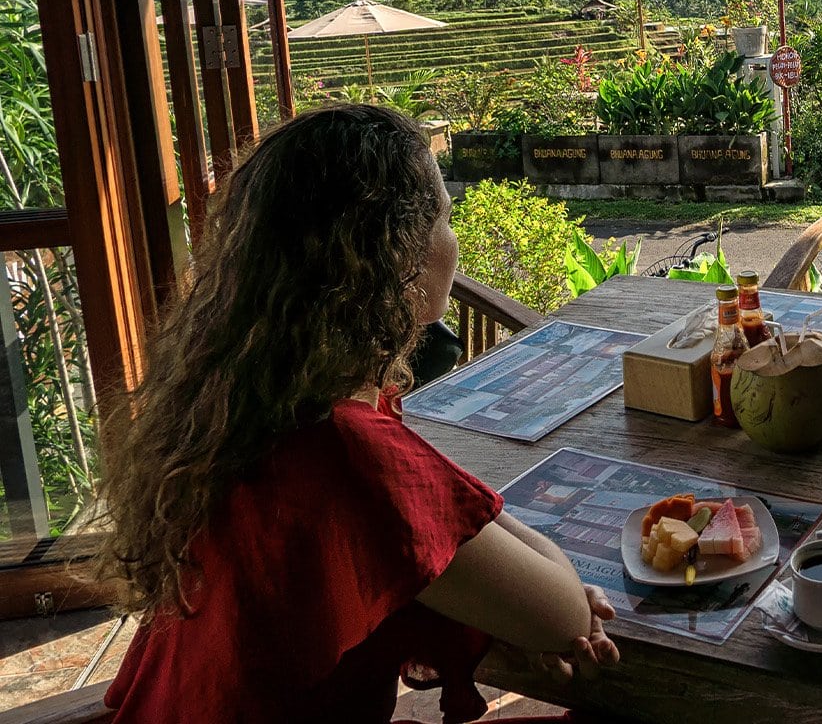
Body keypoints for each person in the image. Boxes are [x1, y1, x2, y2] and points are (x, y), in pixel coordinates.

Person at [94, 104, 617, 723]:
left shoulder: (246, 408)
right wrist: (547, 589)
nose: (454, 242)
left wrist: (508, 587)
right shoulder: (342, 444)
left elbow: (443, 530)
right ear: (397, 256)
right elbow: (563, 615)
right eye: (445, 219)